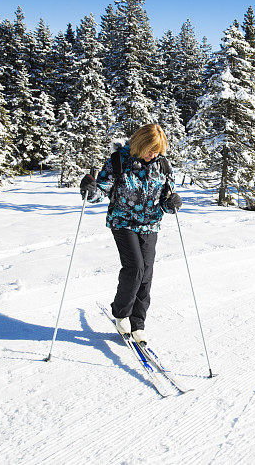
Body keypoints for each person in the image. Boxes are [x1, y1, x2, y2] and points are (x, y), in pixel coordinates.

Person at [79, 123, 182, 345]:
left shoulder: (162, 164)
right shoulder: (119, 161)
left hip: (150, 225)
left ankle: (138, 323)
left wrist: (172, 203)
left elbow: (167, 196)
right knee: (135, 268)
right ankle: (121, 313)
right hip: (123, 222)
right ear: (140, 144)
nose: (153, 154)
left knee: (146, 274)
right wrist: (90, 190)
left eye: (157, 150)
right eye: (149, 149)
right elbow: (102, 190)